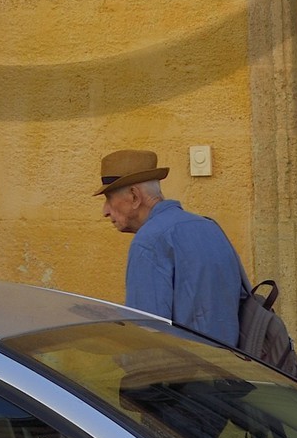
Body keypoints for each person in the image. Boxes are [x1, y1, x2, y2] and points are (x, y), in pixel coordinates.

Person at [97, 148, 245, 348]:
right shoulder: (209, 226)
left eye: (109, 198)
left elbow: (147, 336)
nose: (105, 211)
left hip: (186, 372)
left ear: (134, 196)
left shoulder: (149, 241)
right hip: (234, 370)